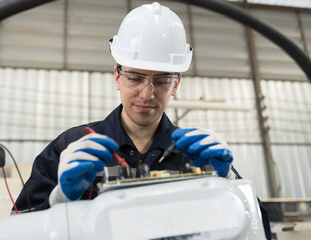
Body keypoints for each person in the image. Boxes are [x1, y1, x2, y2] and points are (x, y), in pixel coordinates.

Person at [15, 2, 271, 239]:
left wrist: (229, 183)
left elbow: (262, 231)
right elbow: (16, 230)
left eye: (161, 81)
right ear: (117, 76)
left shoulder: (195, 153)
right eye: (135, 78)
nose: (147, 94)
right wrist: (60, 199)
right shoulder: (72, 145)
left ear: (176, 83)